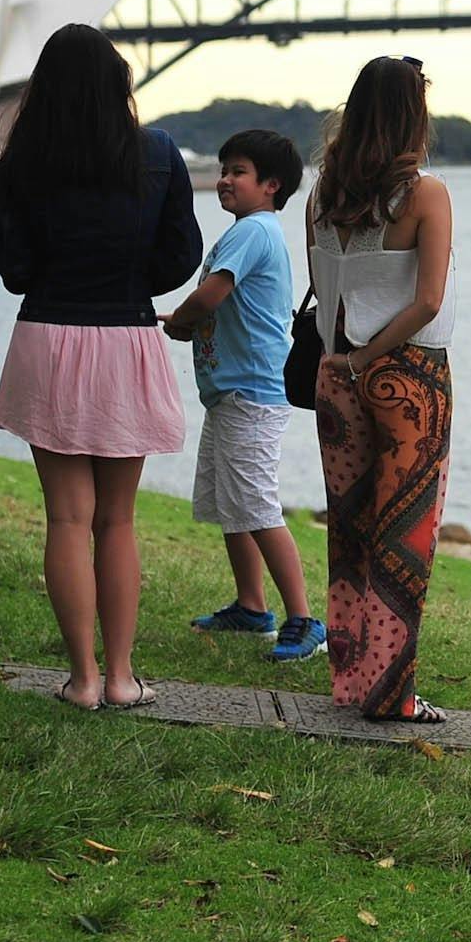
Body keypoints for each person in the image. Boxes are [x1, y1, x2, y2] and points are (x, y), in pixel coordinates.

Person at [0, 25, 202, 710]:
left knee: (65, 520)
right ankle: (120, 677)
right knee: (117, 520)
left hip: (48, 335)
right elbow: (180, 257)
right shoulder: (159, 153)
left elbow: (11, 268)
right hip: (126, 335)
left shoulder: (24, 162)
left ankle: (79, 680)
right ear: (120, 86)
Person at [305, 57, 456, 722]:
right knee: (405, 535)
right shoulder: (425, 194)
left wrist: (347, 358)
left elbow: (321, 286)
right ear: (412, 115)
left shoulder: (323, 192)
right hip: (407, 373)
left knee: (352, 529)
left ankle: (350, 680)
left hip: (333, 372)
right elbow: (426, 302)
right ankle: (391, 694)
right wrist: (372, 356)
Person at [164, 129, 325, 665]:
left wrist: (181, 323)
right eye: (225, 169)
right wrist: (186, 319)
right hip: (232, 391)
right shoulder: (252, 230)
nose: (225, 179)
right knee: (232, 504)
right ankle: (251, 606)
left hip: (251, 391)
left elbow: (212, 292)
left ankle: (304, 618)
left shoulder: (252, 231)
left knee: (255, 504)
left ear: (271, 186)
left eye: (239, 172)